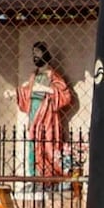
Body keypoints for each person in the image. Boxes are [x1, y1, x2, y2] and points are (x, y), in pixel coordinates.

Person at [18, 41, 73, 178]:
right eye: (33, 54)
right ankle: (35, 175)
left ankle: (50, 176)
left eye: (38, 53)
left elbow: (66, 96)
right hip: (34, 114)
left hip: (47, 116)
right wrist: (15, 93)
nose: (35, 56)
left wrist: (47, 89)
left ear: (45, 54)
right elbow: (27, 91)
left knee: (48, 144)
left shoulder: (53, 75)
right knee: (34, 145)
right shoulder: (34, 75)